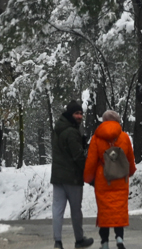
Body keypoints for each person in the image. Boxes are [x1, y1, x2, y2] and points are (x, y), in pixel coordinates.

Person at [84, 110, 136, 249]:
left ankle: (105, 243)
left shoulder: (96, 138)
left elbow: (91, 160)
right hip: (120, 179)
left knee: (104, 213)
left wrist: (88, 178)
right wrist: (130, 172)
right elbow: (130, 159)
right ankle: (119, 239)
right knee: (119, 211)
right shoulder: (124, 137)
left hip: (103, 179)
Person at [51, 100, 94, 249]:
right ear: (70, 114)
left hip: (57, 177)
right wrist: (89, 176)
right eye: (77, 113)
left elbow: (63, 151)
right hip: (72, 178)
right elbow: (78, 157)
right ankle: (79, 240)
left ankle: (57, 242)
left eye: (81, 113)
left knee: (57, 210)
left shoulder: (58, 129)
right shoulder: (71, 132)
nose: (80, 116)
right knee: (76, 210)